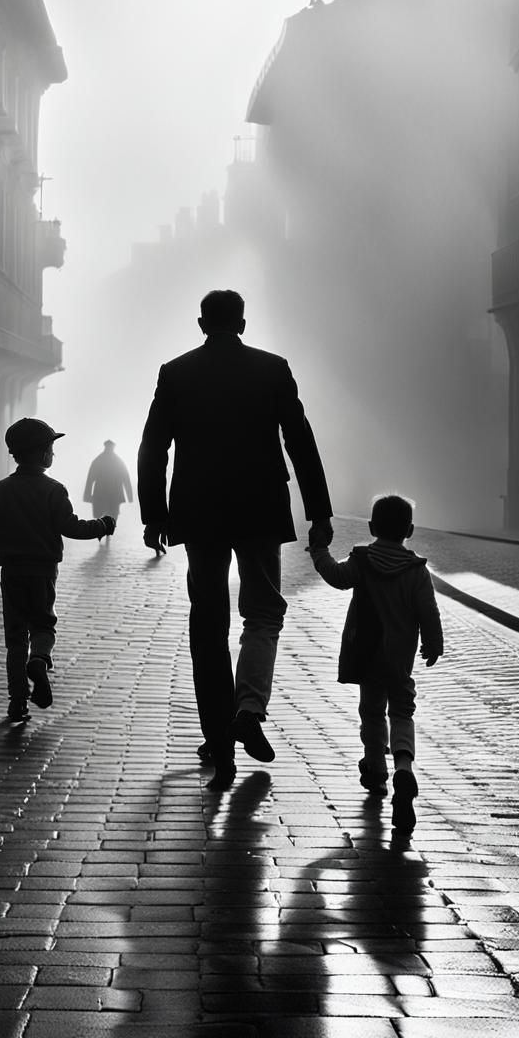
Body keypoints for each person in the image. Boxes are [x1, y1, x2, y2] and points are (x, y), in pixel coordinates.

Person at [137, 289, 333, 791]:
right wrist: (319, 513)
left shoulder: (175, 372)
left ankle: (218, 739)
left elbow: (154, 447)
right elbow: (301, 443)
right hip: (259, 510)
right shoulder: (272, 368)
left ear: (201, 323)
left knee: (207, 622)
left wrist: (154, 515)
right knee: (263, 611)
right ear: (243, 323)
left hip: (199, 512)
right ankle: (248, 706)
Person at [308, 494, 443, 834]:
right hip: (400, 660)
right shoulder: (417, 571)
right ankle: (403, 767)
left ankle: (376, 771)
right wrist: (433, 643)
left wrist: (320, 552)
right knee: (401, 712)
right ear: (409, 530)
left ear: (371, 527)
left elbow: (337, 577)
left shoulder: (363, 561)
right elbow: (428, 611)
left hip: (368, 655)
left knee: (371, 712)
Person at [0, 418, 116, 724]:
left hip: (11, 570)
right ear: (43, 455)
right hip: (43, 570)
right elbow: (71, 527)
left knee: (15, 637)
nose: (53, 454)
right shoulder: (54, 489)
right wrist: (103, 525)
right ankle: (39, 659)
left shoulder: (0, 489)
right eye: (51, 448)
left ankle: (17, 702)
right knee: (43, 625)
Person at [83, 439, 133, 529]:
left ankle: (104, 534)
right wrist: (129, 496)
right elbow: (126, 479)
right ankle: (105, 534)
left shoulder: (99, 460)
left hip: (105, 494)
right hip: (111, 495)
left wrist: (87, 495)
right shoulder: (118, 461)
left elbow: (90, 479)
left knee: (106, 517)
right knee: (109, 516)